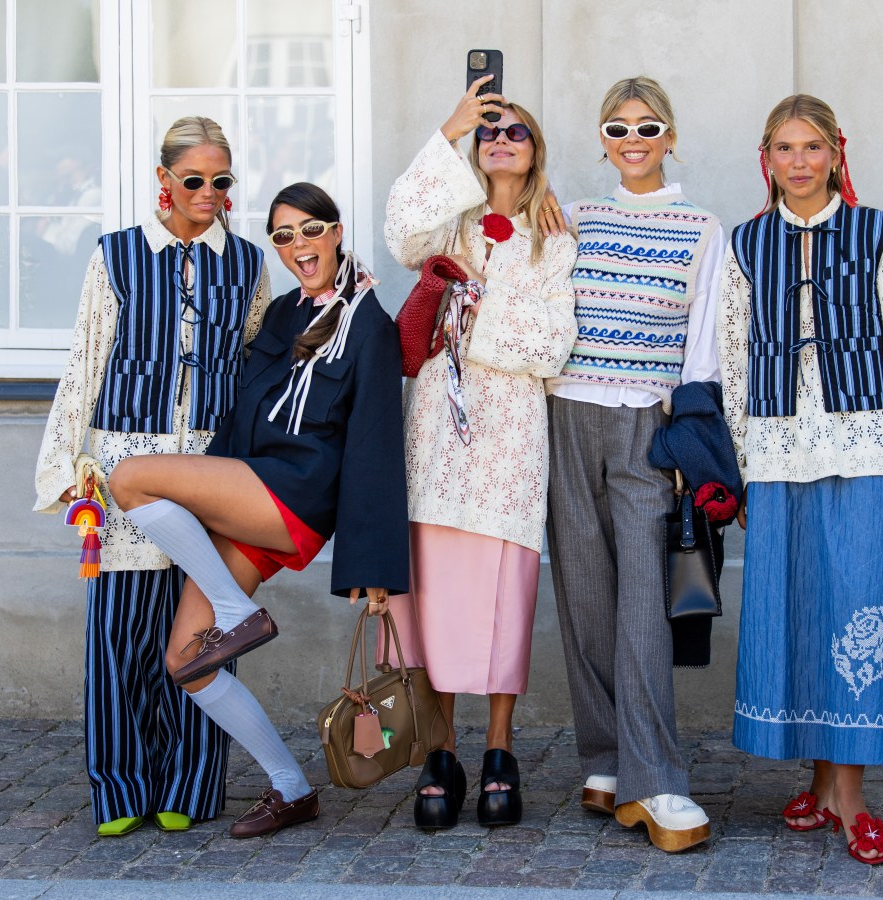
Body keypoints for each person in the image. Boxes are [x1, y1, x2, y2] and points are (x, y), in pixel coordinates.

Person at [107, 182, 409, 838]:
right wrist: (211, 489)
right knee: (187, 661)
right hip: (248, 489)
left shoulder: (371, 326)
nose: (298, 244)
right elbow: (246, 410)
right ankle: (292, 789)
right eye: (283, 236)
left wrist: (375, 570)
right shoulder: (281, 318)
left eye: (310, 230)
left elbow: (376, 450)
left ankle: (239, 613)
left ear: (335, 232)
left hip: (297, 495)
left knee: (129, 478)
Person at [717, 94, 883, 865]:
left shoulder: (876, 233)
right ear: (767, 159)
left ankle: (849, 797)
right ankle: (820, 782)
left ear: (836, 154)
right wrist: (739, 472)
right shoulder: (747, 245)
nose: (800, 162)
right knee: (802, 615)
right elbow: (731, 364)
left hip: (869, 452)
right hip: (778, 457)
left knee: (855, 618)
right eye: (785, 148)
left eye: (813, 147)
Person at [33, 116, 271, 836]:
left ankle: (193, 787)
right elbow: (86, 357)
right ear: (163, 180)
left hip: (210, 467)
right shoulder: (116, 256)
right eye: (194, 179)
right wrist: (68, 464)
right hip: (122, 467)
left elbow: (257, 361)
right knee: (120, 636)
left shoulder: (250, 263)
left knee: (201, 634)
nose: (207, 192)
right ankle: (120, 789)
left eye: (221, 181)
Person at [382, 78, 577, 829]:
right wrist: (449, 125)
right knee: (434, 594)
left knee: (502, 598)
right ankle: (441, 751)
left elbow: (553, 344)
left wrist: (479, 302)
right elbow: (402, 233)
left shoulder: (554, 236)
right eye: (489, 130)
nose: (501, 139)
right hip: (438, 428)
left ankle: (499, 747)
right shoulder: (450, 221)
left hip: (511, 436)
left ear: (535, 156)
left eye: (515, 132)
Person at [538, 76, 723, 853]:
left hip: (648, 420)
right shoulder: (573, 218)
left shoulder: (702, 227)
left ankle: (658, 779)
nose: (633, 140)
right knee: (584, 592)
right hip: (566, 411)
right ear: (602, 140)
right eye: (617, 129)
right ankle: (607, 758)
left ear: (671, 134)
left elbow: (706, 336)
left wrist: (687, 436)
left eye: (648, 127)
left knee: (643, 600)